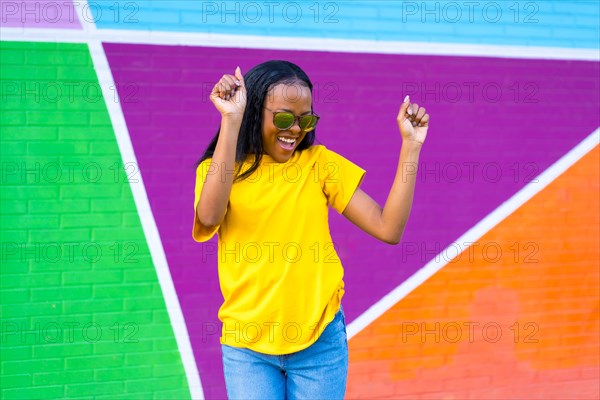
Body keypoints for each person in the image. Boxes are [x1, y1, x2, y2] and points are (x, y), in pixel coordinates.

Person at [193, 60, 429, 399]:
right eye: (285, 117)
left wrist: (412, 146)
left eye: (306, 120)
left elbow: (388, 227)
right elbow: (211, 215)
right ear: (254, 110)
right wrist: (231, 119)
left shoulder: (319, 164)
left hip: (320, 342)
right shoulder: (218, 170)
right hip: (247, 347)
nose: (295, 130)